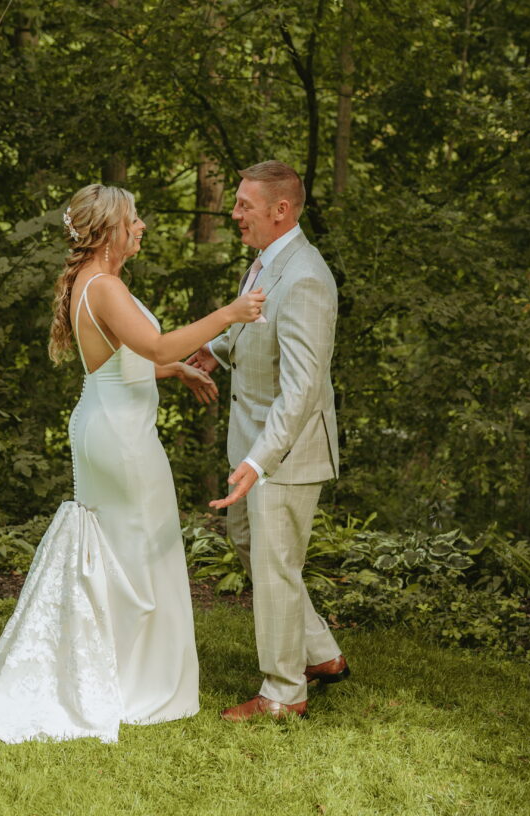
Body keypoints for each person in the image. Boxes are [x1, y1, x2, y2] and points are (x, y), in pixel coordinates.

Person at [0, 184, 265, 743]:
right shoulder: (105, 286)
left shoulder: (92, 282)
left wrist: (174, 371)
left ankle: (111, 669)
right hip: (121, 439)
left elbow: (120, 361)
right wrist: (229, 313)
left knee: (125, 550)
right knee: (143, 551)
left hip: (108, 425)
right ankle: (135, 684)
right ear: (106, 232)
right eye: (133, 219)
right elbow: (157, 346)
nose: (141, 226)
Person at [188, 161, 349, 722]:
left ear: (280, 210)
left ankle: (283, 692)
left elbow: (302, 389)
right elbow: (261, 332)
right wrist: (218, 349)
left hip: (285, 451)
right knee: (252, 548)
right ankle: (322, 654)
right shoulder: (265, 263)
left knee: (275, 564)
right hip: (252, 445)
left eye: (244, 205)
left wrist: (259, 461)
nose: (234, 213)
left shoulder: (306, 277)